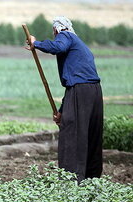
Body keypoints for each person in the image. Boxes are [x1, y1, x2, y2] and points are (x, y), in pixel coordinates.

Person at [26, 16, 103, 182]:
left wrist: (36, 43)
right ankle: (92, 178)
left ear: (56, 29)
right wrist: (62, 111)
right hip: (93, 91)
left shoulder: (65, 36)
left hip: (81, 90)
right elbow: (72, 89)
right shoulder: (79, 43)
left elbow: (57, 47)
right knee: (90, 133)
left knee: (72, 132)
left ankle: (72, 178)